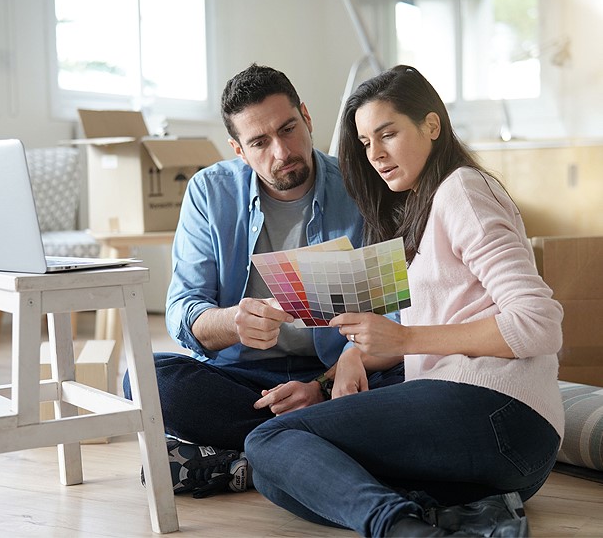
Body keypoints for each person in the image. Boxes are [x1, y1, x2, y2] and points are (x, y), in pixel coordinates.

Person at [244, 64, 565, 537]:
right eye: (365, 142)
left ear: (431, 125)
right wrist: (356, 357)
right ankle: (449, 518)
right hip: (509, 454)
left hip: (499, 410)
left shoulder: (463, 190)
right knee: (283, 479)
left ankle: (401, 530)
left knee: (271, 440)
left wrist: (406, 336)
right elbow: (451, 319)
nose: (375, 154)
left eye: (387, 134)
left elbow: (538, 323)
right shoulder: (427, 203)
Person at [123, 63, 403, 498]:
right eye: (259, 142)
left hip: (335, 376)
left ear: (307, 118)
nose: (281, 151)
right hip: (245, 383)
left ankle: (250, 458)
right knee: (146, 378)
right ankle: (314, 447)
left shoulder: (363, 185)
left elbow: (395, 314)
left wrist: (322, 387)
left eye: (288, 129)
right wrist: (232, 321)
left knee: (416, 372)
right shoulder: (208, 192)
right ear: (238, 149)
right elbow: (184, 310)